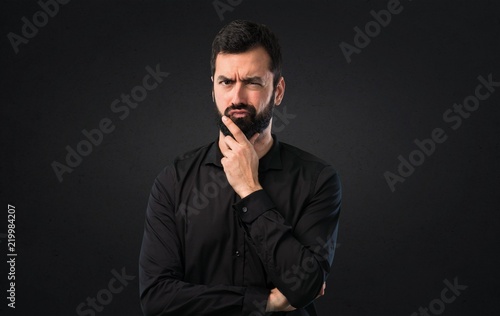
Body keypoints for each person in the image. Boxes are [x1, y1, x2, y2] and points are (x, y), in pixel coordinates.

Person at [139, 20, 342, 316]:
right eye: (226, 82)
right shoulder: (173, 181)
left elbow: (306, 285)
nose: (237, 98)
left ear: (279, 90)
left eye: (252, 82)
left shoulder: (318, 180)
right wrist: (265, 303)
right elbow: (157, 299)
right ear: (212, 89)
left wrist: (250, 189)